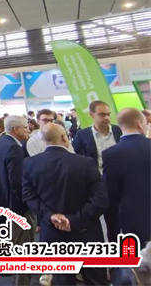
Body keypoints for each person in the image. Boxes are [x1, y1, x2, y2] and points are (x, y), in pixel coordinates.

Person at [22, 122, 108, 286]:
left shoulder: (30, 163)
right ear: (64, 137)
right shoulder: (85, 163)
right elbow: (100, 199)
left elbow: (28, 196)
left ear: (44, 140)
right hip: (86, 233)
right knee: (96, 279)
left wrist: (51, 216)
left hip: (53, 234)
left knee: (62, 280)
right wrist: (73, 220)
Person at [0, 115, 36, 286]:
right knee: (23, 248)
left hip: (4, 201)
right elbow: (17, 181)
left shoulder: (2, 142)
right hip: (17, 207)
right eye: (25, 127)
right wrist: (28, 203)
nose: (28, 130)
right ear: (16, 129)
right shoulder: (14, 148)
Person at [102, 108, 151, 245]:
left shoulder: (110, 154)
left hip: (133, 220)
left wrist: (113, 234)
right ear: (139, 124)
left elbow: (111, 194)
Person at [72, 100, 122, 174]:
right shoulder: (82, 135)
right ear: (92, 115)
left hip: (121, 174)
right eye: (102, 115)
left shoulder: (119, 131)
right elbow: (77, 157)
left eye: (108, 114)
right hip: (96, 176)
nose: (107, 118)